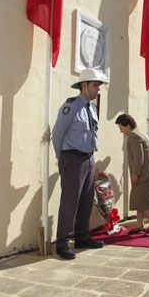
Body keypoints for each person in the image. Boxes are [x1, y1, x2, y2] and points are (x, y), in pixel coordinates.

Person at [52, 68, 108, 260]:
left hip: (88, 158)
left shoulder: (92, 108)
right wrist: (63, 159)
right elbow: (57, 135)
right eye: (95, 85)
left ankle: (82, 236)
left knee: (86, 200)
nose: (98, 89)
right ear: (84, 86)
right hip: (73, 158)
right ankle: (63, 243)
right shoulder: (71, 106)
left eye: (99, 85)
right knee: (70, 202)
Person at [115, 114, 149, 234]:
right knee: (140, 200)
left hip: (144, 173)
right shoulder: (140, 133)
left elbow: (138, 157)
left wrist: (135, 174)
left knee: (142, 200)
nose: (121, 131)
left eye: (121, 128)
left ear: (127, 125)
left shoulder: (133, 136)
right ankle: (139, 225)